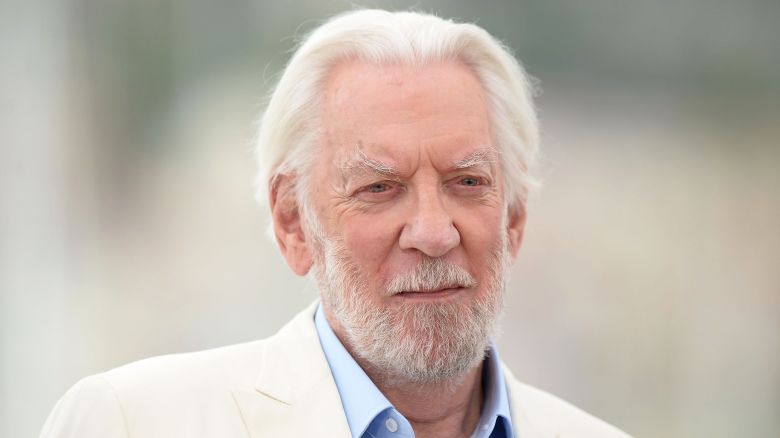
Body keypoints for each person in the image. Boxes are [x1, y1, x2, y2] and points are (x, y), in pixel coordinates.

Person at [41, 9, 630, 438]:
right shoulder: (131, 423)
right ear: (293, 223)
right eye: (380, 188)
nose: (432, 231)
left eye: (467, 183)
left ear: (515, 218)